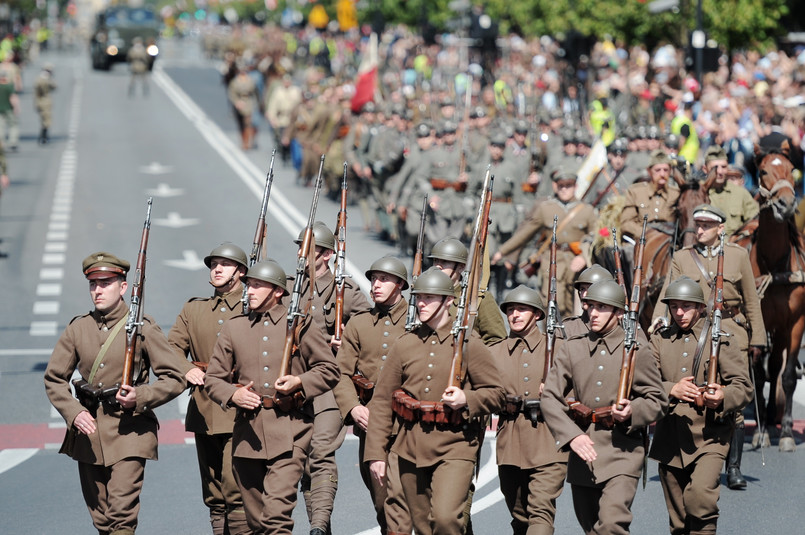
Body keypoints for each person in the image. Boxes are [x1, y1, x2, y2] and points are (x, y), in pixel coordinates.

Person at [44, 252, 186, 535]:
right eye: (93, 284)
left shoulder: (143, 326)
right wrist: (74, 412)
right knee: (101, 518)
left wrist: (141, 396)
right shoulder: (78, 328)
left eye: (105, 282)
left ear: (123, 287)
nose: (97, 290)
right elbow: (54, 378)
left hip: (130, 431)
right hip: (89, 433)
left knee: (121, 515)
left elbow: (175, 377)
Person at [364, 268, 505, 535]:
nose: (421, 303)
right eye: (419, 297)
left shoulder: (468, 344)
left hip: (455, 446)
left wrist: (467, 399)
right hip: (409, 447)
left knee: (445, 519)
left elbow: (497, 394)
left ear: (448, 301)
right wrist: (376, 454)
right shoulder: (405, 344)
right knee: (422, 527)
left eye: (430, 297)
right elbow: (382, 402)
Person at [204, 260, 340, 535]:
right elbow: (213, 379)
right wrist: (234, 394)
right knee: (257, 522)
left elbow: (329, 370)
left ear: (277, 291)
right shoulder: (235, 327)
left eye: (256, 285)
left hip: (291, 431)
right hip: (247, 435)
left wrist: (300, 381)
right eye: (248, 285)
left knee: (276, 517)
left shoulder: (301, 325)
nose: (249, 291)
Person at [652, 204, 765, 490]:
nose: (699, 230)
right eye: (697, 224)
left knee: (731, 397)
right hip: (692, 329)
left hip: (730, 333)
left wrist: (759, 338)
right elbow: (670, 292)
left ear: (721, 228)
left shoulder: (739, 256)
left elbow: (751, 299)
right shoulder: (682, 257)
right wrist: (657, 320)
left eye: (706, 225)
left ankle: (734, 466)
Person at [541, 280, 667, 535]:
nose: (593, 313)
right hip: (584, 452)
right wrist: (572, 436)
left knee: (611, 525)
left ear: (619, 312)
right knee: (591, 528)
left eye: (602, 307)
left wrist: (633, 410)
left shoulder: (636, 351)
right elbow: (550, 397)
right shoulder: (572, 347)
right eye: (590, 306)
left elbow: (658, 399)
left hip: (623, 450)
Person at [650, 277, 753, 534]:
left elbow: (744, 386)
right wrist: (670, 388)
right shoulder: (660, 339)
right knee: (678, 521)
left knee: (700, 501)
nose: (680, 312)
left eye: (686, 306)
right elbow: (642, 382)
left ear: (699, 307)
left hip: (710, 437)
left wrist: (723, 396)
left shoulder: (719, 339)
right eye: (674, 307)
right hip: (669, 437)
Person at [291, 221, 371, 535]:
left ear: (324, 254)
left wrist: (347, 340)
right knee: (299, 460)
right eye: (298, 247)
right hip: (294, 385)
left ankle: (319, 526)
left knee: (320, 451)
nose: (300, 254)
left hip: (330, 385)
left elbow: (370, 335)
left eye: (307, 248)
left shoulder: (346, 293)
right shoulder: (287, 288)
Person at [167, 243, 250, 534]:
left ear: (241, 271)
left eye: (224, 264)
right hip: (204, 409)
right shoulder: (194, 308)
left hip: (242, 408)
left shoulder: (253, 307)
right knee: (214, 490)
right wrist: (186, 368)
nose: (216, 269)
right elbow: (172, 348)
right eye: (214, 264)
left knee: (235, 485)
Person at [332, 256, 412, 534]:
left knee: (411, 504)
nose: (376, 285)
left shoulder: (416, 321)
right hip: (372, 422)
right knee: (382, 502)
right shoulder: (359, 323)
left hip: (410, 425)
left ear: (400, 284)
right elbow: (340, 372)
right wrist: (353, 408)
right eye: (374, 279)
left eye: (384, 279)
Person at [493, 285, 568, 535]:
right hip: (510, 445)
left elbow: (580, 389)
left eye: (522, 309)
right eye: (511, 310)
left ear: (536, 314)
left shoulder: (559, 348)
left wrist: (556, 392)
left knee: (541, 512)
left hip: (549, 442)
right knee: (519, 517)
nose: (514, 314)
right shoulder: (494, 353)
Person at [492, 169, 597, 319]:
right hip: (552, 261)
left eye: (569, 185)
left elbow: (596, 236)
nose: (565, 189)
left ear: (575, 186)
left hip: (576, 263)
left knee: (575, 307)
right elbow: (525, 233)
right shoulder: (546, 208)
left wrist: (583, 256)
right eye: (561, 185)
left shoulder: (587, 210)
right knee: (551, 303)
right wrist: (502, 251)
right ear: (555, 186)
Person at [429, 237, 507, 345]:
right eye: (435, 261)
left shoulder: (478, 298)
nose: (438, 266)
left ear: (461, 267)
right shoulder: (424, 295)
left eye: (445, 262)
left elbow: (497, 341)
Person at [620, 149, 679, 242]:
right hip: (642, 241)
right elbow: (626, 223)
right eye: (658, 170)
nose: (662, 174)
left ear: (670, 171)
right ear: (649, 171)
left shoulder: (676, 194)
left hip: (669, 241)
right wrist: (646, 234)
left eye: (666, 170)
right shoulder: (636, 192)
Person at [700, 146, 758, 236]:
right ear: (705, 169)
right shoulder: (697, 193)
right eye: (714, 168)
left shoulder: (740, 193)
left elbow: (755, 221)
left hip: (735, 246)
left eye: (723, 167)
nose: (719, 171)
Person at [227, 62, 258, 150]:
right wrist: (237, 102)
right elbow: (231, 93)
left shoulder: (250, 80)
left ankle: (247, 143)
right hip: (238, 103)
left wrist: (256, 103)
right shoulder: (235, 81)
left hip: (248, 102)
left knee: (247, 123)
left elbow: (255, 92)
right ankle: (243, 141)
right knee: (240, 124)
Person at [34, 62, 56, 144]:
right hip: (44, 101)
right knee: (46, 121)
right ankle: (43, 137)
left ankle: (43, 136)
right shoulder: (43, 79)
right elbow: (54, 86)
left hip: (42, 101)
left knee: (44, 120)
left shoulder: (40, 78)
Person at [0, 68, 19, 151]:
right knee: (13, 125)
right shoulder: (9, 86)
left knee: (1, 126)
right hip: (8, 108)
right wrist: (16, 107)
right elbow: (13, 97)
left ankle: (1, 142)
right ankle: (13, 142)